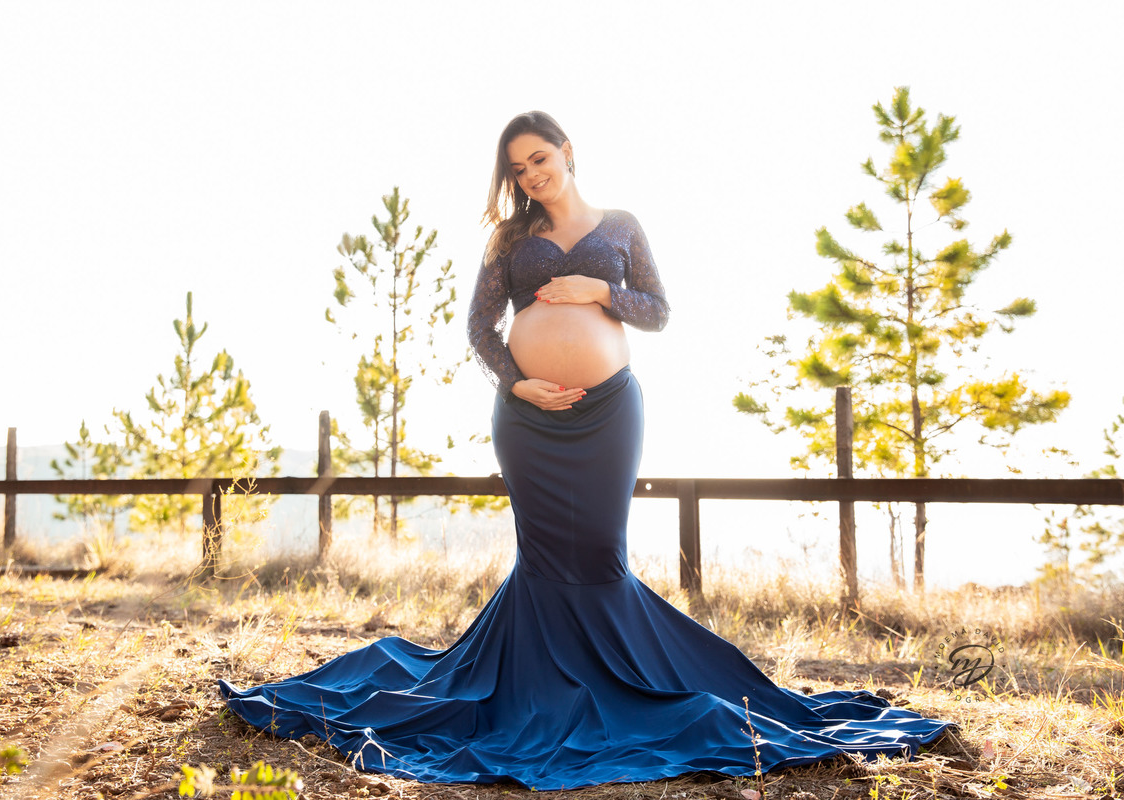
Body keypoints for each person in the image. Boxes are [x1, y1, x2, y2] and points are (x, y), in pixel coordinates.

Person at [219, 111, 955, 789]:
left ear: (567, 152)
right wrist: (517, 386)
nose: (531, 175)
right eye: (518, 170)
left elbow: (659, 312)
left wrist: (596, 289)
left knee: (600, 555)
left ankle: (615, 687)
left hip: (608, 413)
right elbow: (479, 329)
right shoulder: (508, 240)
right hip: (529, 423)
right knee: (542, 560)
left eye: (540, 159)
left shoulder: (623, 226)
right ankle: (541, 694)